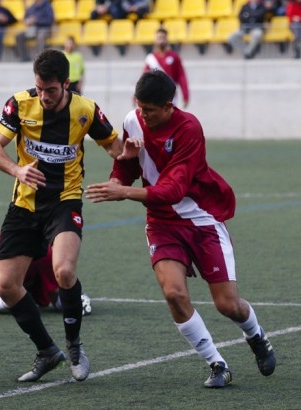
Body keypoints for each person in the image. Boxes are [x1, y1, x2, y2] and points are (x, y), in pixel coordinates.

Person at [85, 70, 277, 388]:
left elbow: (173, 190)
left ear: (168, 106)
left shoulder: (189, 128)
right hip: (161, 222)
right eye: (139, 107)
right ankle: (217, 364)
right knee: (174, 294)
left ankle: (256, 336)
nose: (142, 115)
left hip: (201, 219)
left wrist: (124, 192)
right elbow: (128, 163)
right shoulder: (133, 119)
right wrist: (117, 178)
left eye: (149, 110)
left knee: (227, 305)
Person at [0, 49, 125, 383]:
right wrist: (18, 170)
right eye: (40, 88)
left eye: (51, 90)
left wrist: (124, 170)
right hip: (24, 205)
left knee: (63, 271)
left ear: (66, 84)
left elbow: (116, 149)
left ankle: (74, 345)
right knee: (5, 286)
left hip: (65, 201)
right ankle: (47, 351)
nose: (44, 96)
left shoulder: (86, 110)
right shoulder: (19, 105)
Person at [0, 235, 92, 315]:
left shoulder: (46, 254)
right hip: (11, 252)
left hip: (35, 255)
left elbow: (53, 293)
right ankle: (17, 300)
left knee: (55, 292)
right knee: (8, 293)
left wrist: (72, 300)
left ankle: (76, 299)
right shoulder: (8, 249)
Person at [144, 28, 189, 108]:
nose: (161, 40)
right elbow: (144, 79)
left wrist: (185, 95)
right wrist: (137, 95)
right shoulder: (150, 59)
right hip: (154, 97)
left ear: (167, 40)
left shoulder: (174, 57)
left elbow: (181, 77)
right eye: (159, 38)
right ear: (155, 40)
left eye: (163, 38)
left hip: (170, 96)